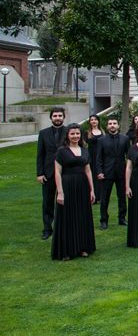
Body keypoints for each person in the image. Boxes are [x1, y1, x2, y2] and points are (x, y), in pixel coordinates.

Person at [51, 123, 96, 260]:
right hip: (67, 186)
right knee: (67, 218)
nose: (75, 136)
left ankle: (82, 247)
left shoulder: (85, 151)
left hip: (82, 186)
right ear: (68, 135)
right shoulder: (61, 151)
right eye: (72, 134)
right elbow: (57, 173)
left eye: (77, 133)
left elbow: (88, 171)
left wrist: (92, 190)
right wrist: (60, 192)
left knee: (82, 217)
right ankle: (67, 251)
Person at [95, 116, 130, 230]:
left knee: (122, 197)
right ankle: (104, 220)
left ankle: (122, 218)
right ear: (107, 126)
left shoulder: (125, 139)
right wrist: (99, 171)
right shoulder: (101, 140)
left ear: (118, 125)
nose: (112, 125)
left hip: (121, 172)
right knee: (104, 198)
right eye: (110, 123)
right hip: (106, 172)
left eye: (114, 123)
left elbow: (129, 156)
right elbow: (98, 158)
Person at [36, 107, 66, 240]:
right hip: (48, 173)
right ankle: (47, 229)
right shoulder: (43, 133)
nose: (58, 118)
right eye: (55, 116)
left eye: (60, 115)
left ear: (63, 117)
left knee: (64, 201)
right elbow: (40, 155)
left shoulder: (69, 132)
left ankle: (63, 227)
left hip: (66, 173)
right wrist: (39, 173)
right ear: (51, 118)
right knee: (47, 202)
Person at [84, 114, 104, 203]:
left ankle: (100, 196)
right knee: (91, 175)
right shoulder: (87, 132)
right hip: (91, 156)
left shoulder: (103, 132)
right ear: (90, 122)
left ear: (98, 121)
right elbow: (84, 146)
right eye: (92, 120)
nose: (93, 121)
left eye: (95, 119)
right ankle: (92, 195)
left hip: (101, 156)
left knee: (100, 175)